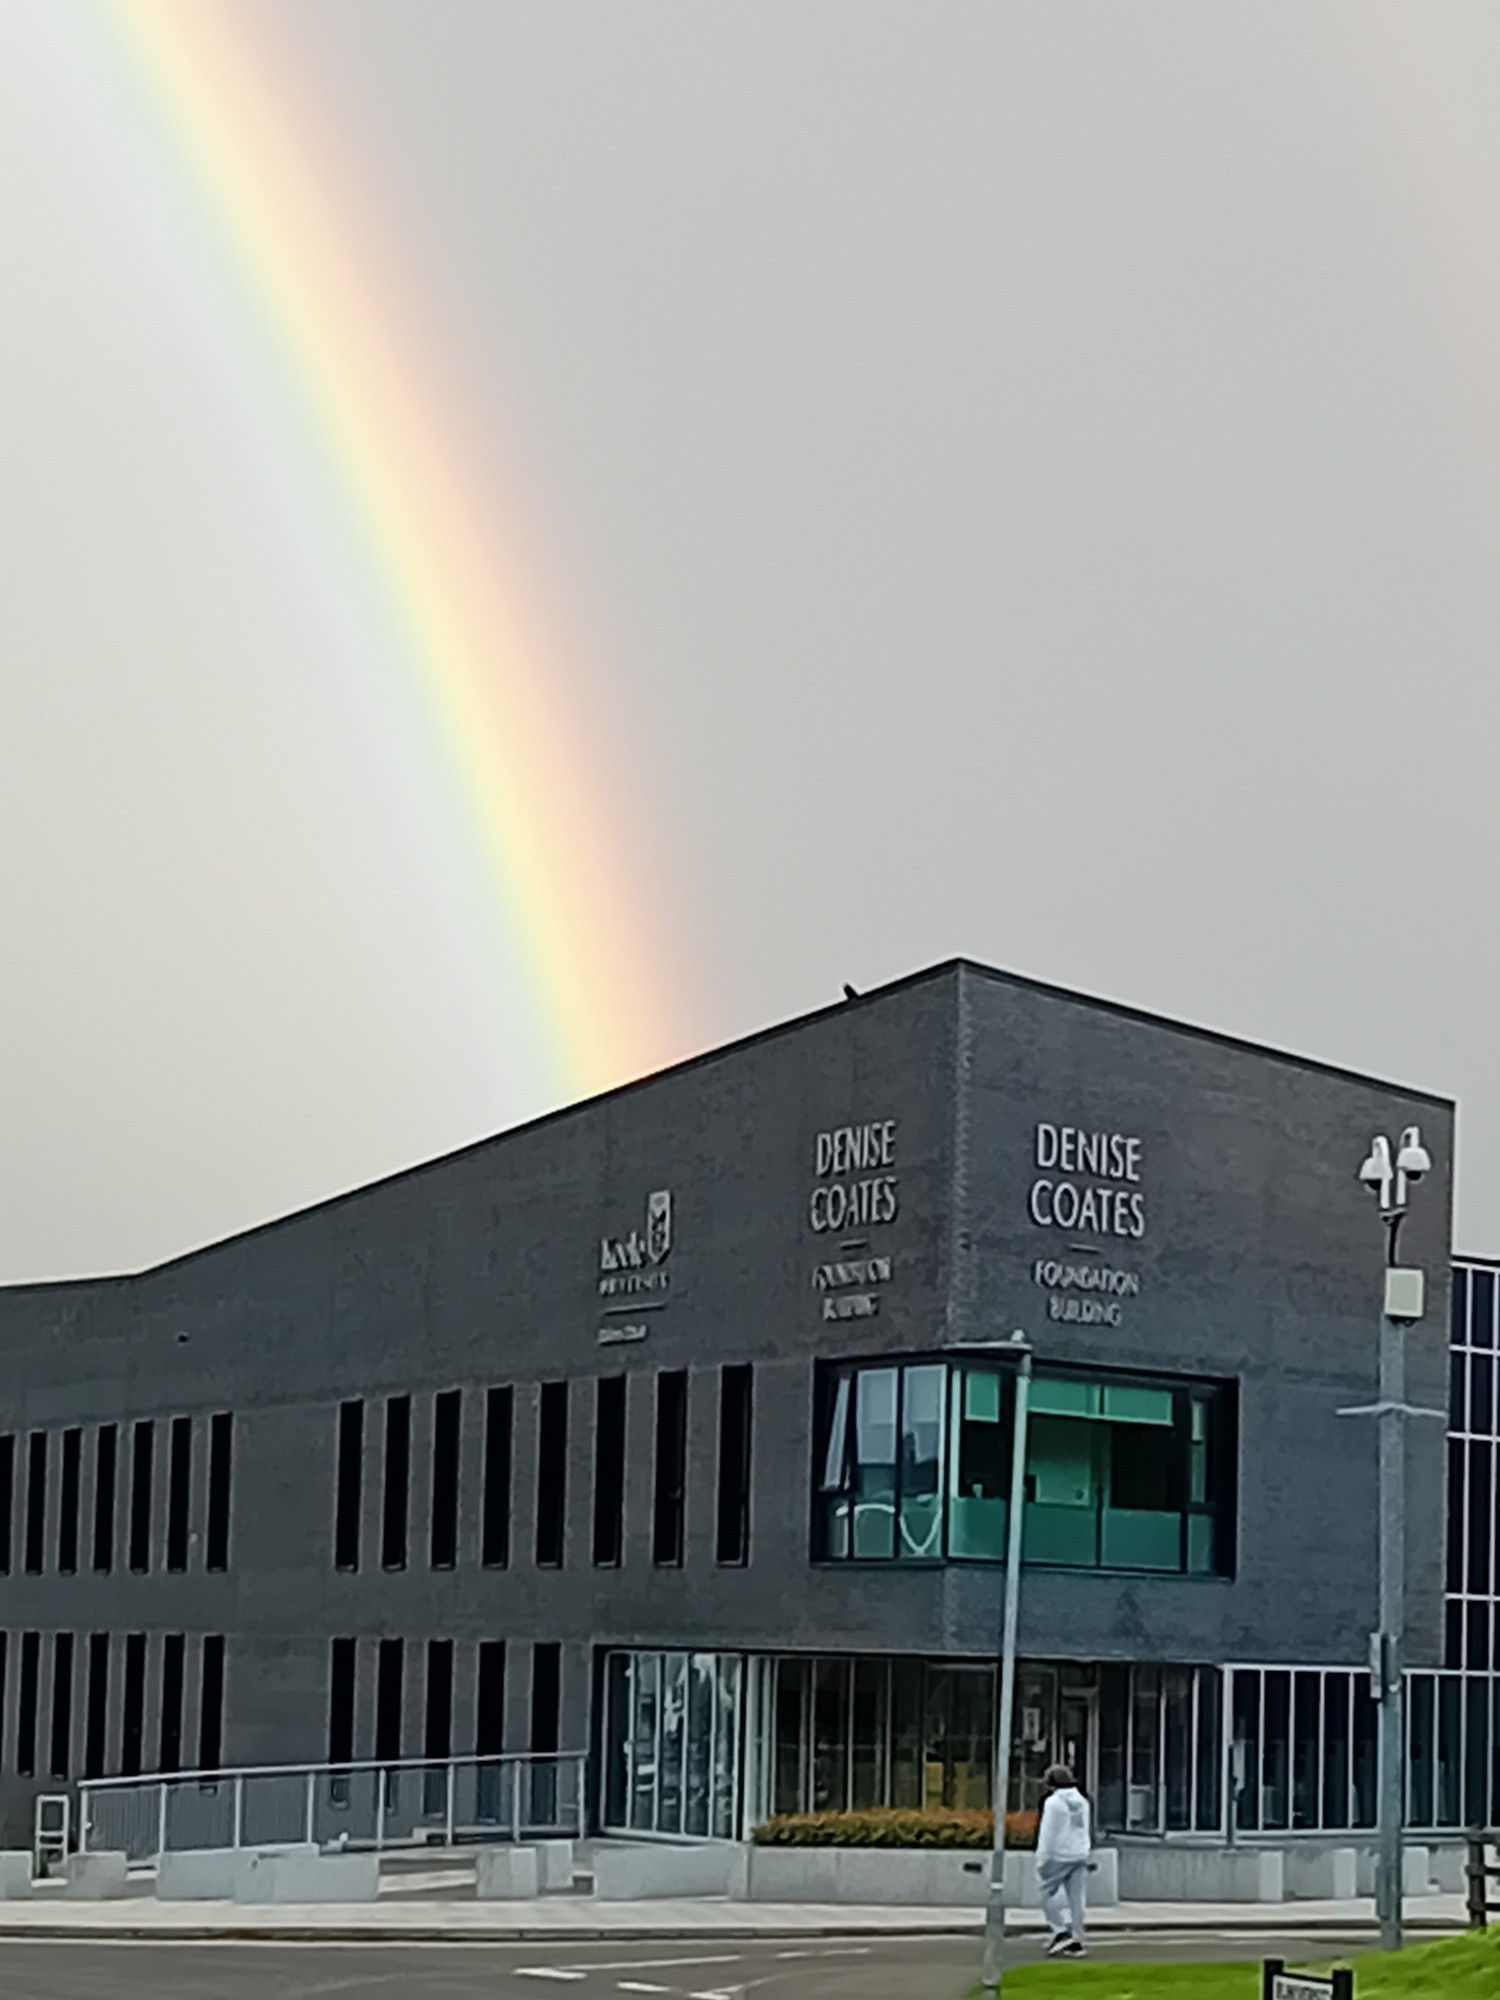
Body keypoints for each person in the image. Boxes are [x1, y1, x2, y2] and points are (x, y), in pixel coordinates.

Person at [1036, 1761, 1091, 1958]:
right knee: (1077, 1898)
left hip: (1058, 1855)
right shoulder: (1082, 1801)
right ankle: (1077, 1938)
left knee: (1045, 1893)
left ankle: (1061, 1931)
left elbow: (1048, 1833)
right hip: (1079, 1853)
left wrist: (1042, 1859)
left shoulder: (1053, 1803)